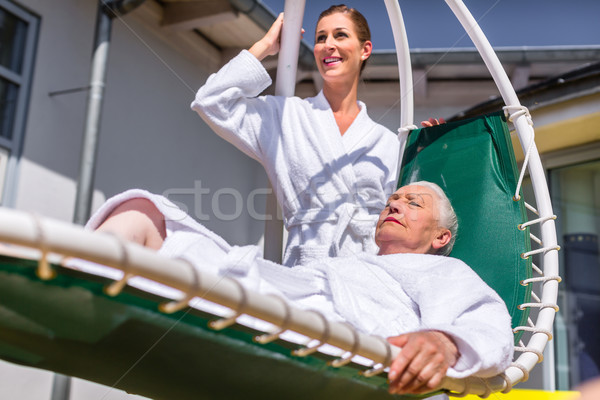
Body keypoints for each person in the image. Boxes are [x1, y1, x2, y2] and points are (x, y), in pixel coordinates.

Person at [82, 181, 513, 397]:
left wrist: (444, 341)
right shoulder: (352, 265)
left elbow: (488, 323)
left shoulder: (447, 272)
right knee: (142, 210)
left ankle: (80, 290)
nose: (394, 205)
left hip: (334, 338)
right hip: (281, 299)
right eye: (391, 201)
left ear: (439, 238)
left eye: (412, 203)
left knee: (150, 225)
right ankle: (76, 282)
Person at [190, 5, 401, 267]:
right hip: (307, 270)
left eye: (340, 35)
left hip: (369, 271)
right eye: (321, 38)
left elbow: (404, 223)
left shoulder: (388, 142)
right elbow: (210, 102)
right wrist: (265, 45)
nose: (328, 45)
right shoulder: (286, 116)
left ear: (365, 49)